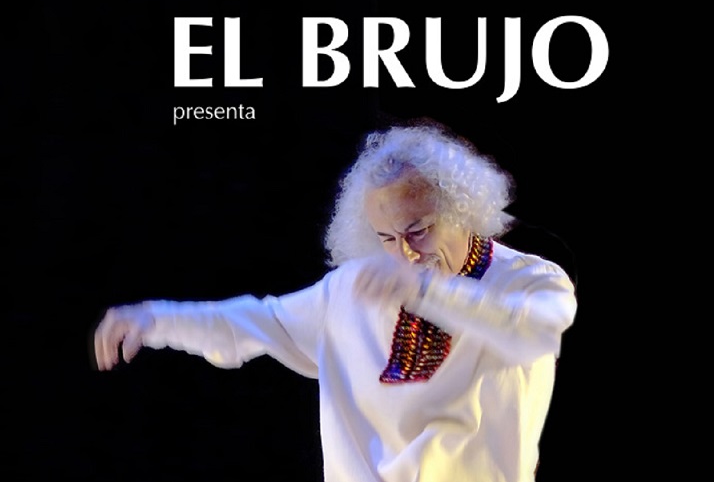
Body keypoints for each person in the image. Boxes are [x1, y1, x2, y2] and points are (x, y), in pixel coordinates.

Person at [93, 118, 577, 482]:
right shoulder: (356, 287)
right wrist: (155, 319)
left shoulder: (528, 280)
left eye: (419, 231)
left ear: (463, 211)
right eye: (387, 238)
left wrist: (431, 294)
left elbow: (534, 330)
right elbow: (259, 321)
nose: (406, 253)